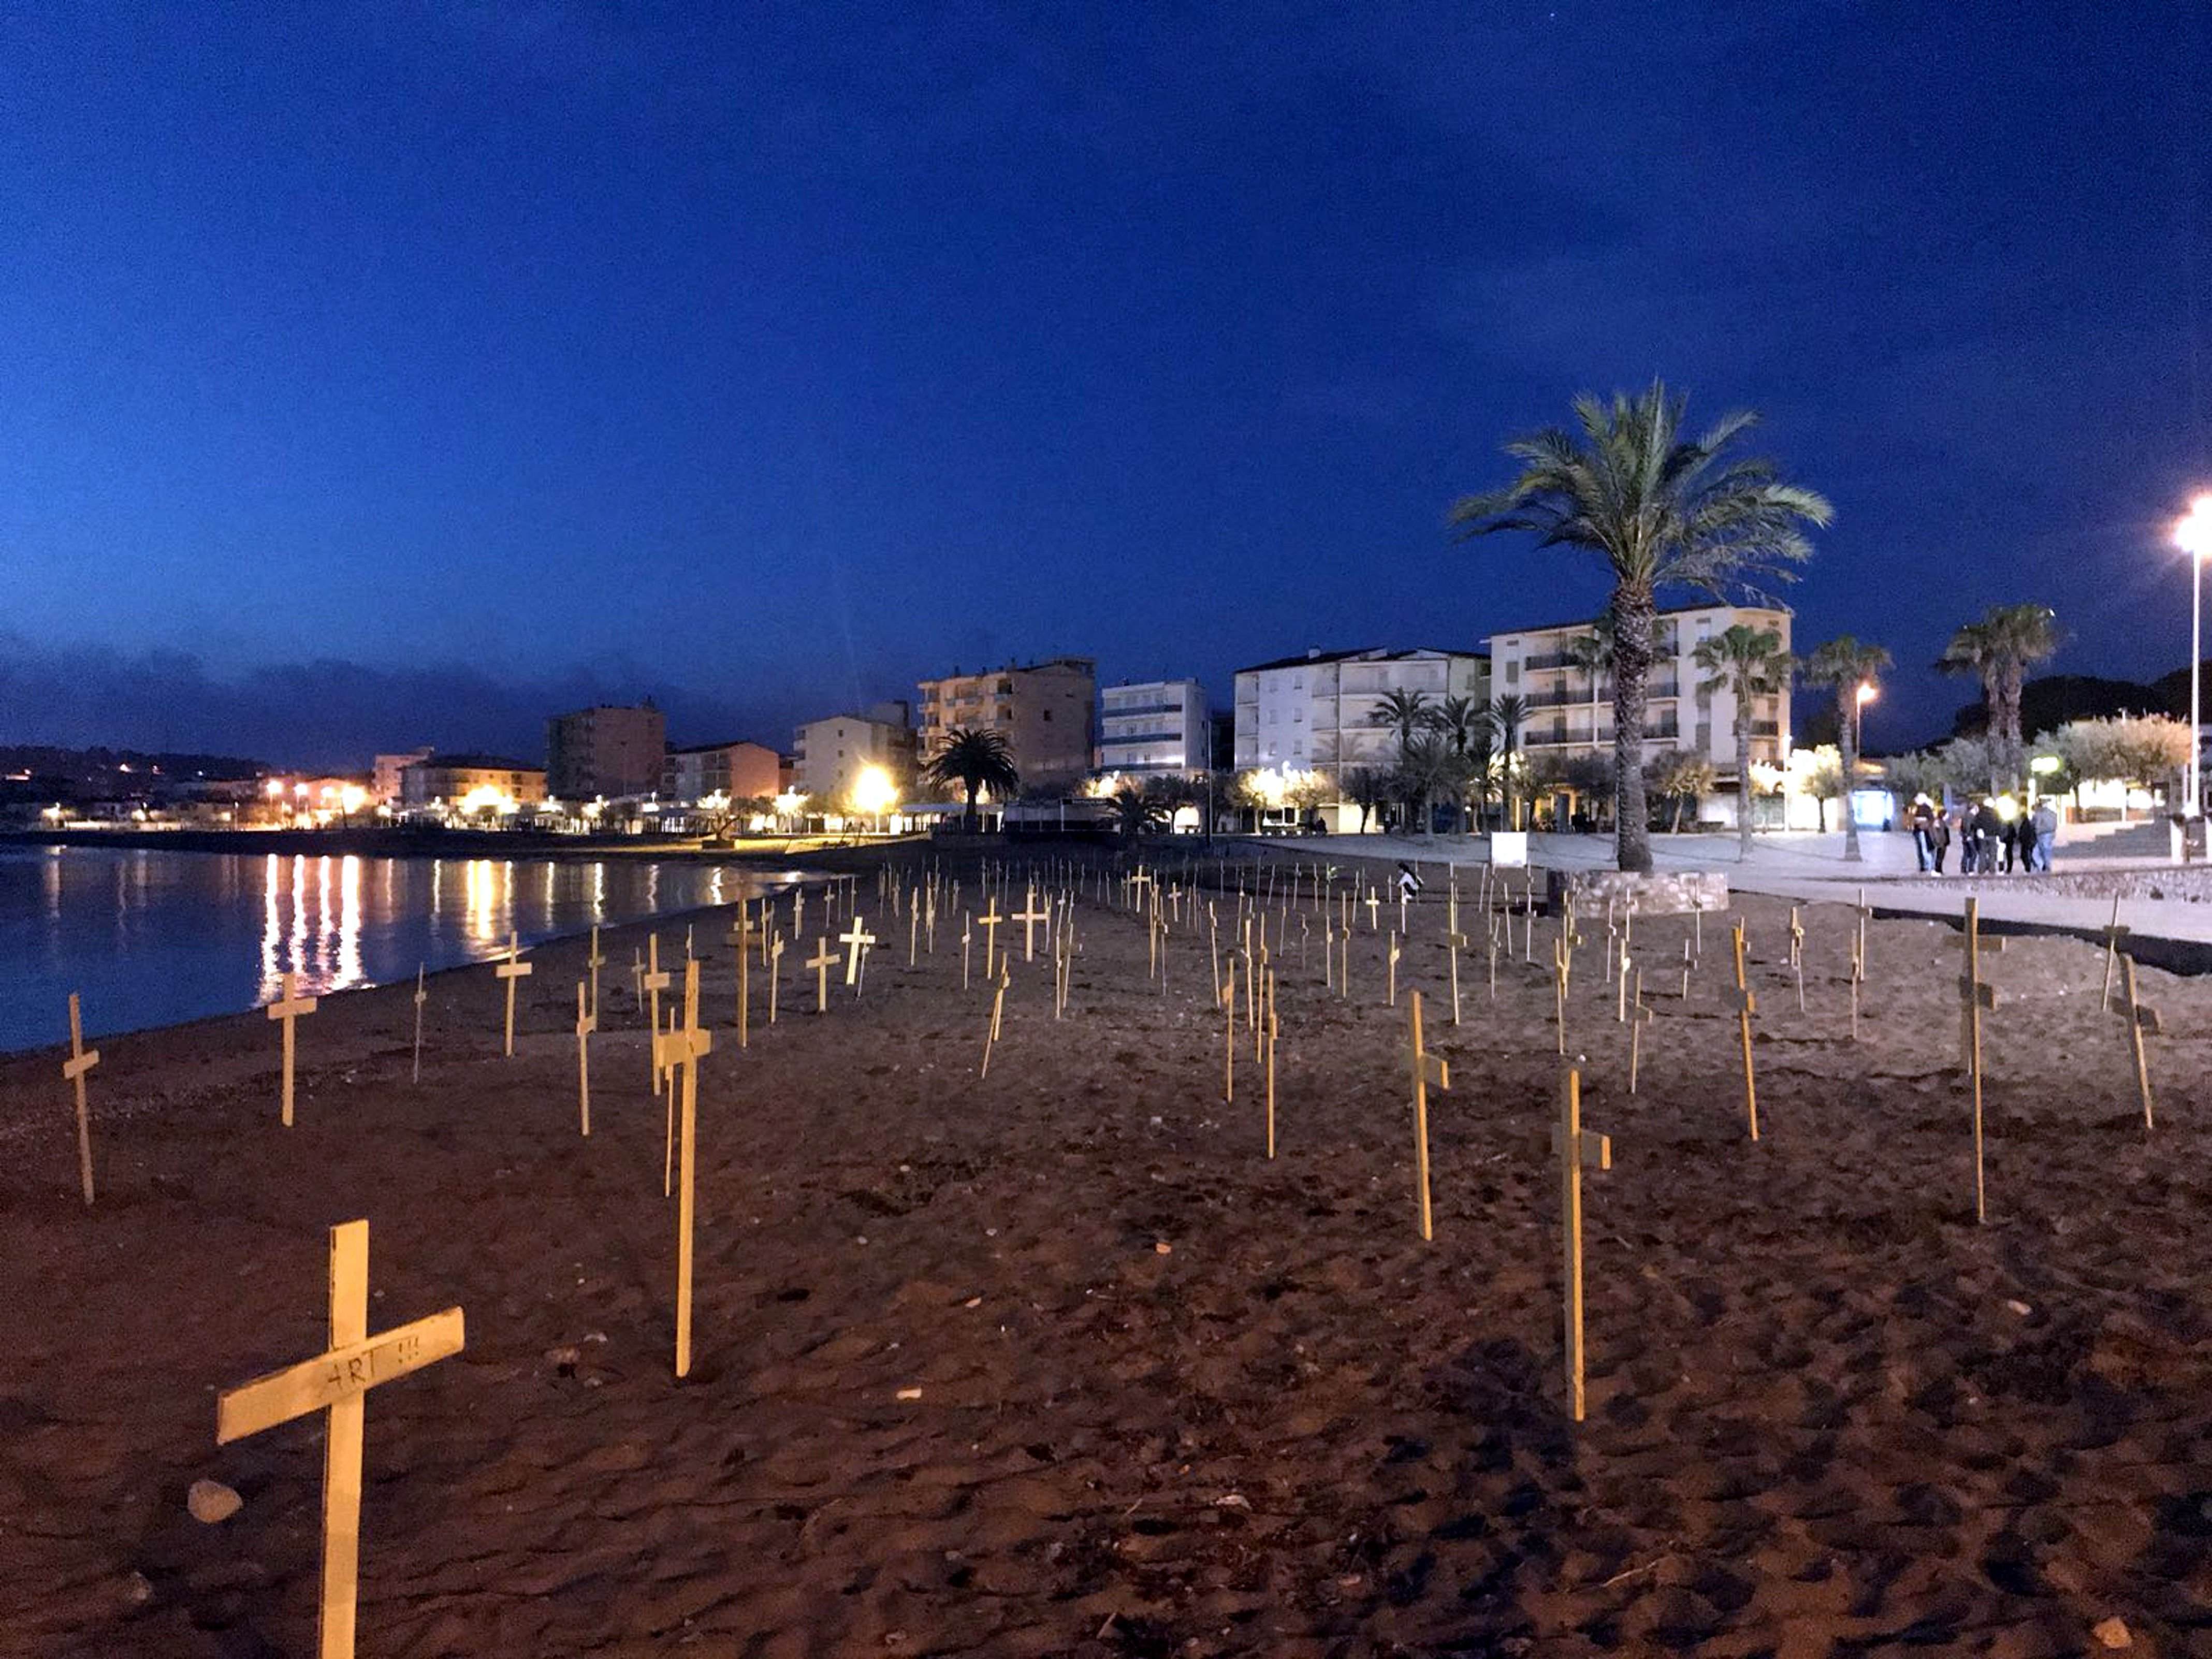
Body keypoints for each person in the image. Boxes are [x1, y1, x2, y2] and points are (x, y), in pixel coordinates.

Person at [1973, 797, 2003, 874]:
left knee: (1982, 853)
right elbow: (1999, 825)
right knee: (1992, 854)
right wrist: (1999, 835)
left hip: (1983, 836)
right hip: (1993, 836)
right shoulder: (1996, 813)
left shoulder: (1980, 813)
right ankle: (1992, 869)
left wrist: (1979, 830)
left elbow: (1975, 824)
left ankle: (1981, 870)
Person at [1909, 796, 1937, 871]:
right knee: (1925, 849)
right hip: (1923, 832)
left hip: (1921, 832)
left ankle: (1925, 865)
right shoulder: (1925, 809)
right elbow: (1931, 820)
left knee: (1922, 849)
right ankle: (1927, 865)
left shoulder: (1922, 809)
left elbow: (1918, 821)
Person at [2031, 798, 2059, 871]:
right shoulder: (2053, 814)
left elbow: (2037, 825)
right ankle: (2045, 867)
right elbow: (2055, 825)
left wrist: (2036, 831)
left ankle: (2045, 867)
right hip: (2050, 834)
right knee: (2046, 851)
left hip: (2042, 835)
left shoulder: (2039, 814)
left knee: (2041, 852)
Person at [2015, 801, 2040, 874]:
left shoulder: (2026, 824)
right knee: (2029, 855)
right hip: (2030, 842)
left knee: (2025, 856)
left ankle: (2029, 868)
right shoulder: (2028, 822)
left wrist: (2019, 839)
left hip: (2027, 842)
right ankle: (2032, 867)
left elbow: (2024, 834)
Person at [1931, 805, 1952, 872]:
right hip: (1941, 842)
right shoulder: (1938, 821)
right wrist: (1938, 841)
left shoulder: (1943, 822)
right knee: (1939, 857)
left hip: (1944, 842)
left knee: (1941, 857)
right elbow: (1936, 832)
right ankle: (1938, 870)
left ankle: (1940, 870)